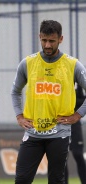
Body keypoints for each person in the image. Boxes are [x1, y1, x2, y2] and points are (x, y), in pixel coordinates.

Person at [11, 19, 86, 184]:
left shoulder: (73, 65)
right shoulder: (28, 63)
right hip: (32, 133)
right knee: (22, 179)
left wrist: (78, 115)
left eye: (52, 41)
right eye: (44, 40)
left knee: (57, 180)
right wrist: (19, 116)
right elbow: (15, 92)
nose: (47, 45)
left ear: (61, 39)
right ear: (39, 37)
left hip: (59, 133)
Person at [65, 84, 86, 184]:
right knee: (62, 157)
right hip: (59, 123)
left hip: (74, 122)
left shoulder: (77, 79)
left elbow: (82, 100)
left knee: (78, 154)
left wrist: (71, 101)